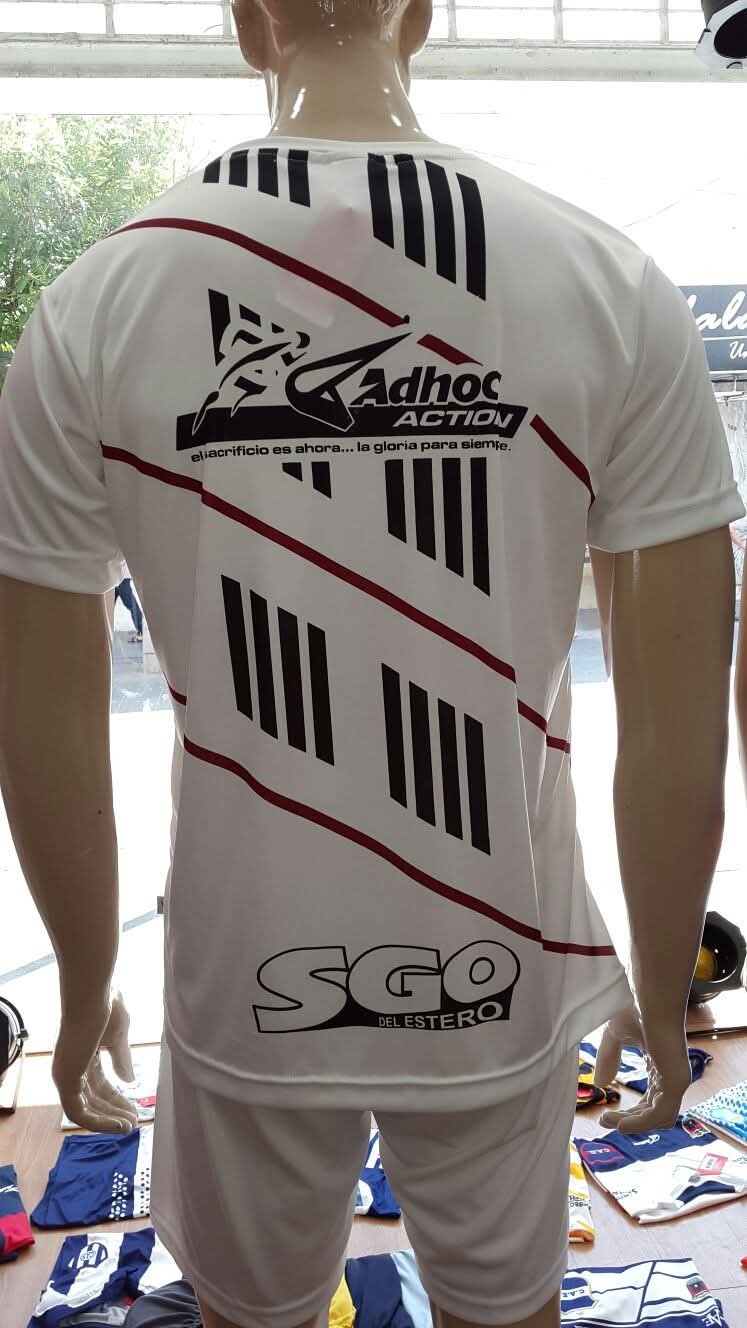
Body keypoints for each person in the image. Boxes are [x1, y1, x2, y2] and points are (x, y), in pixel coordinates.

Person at [0, 3, 741, 1327]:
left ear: (248, 22)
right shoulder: (603, 282)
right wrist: (663, 965)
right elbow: (678, 727)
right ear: (421, 15)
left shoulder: (98, 303)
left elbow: (38, 716)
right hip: (497, 957)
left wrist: (86, 978)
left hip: (243, 970)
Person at [116, 568, 145, 643]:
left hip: (121, 576)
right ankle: (141, 633)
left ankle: (141, 633)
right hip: (115, 575)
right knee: (132, 606)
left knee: (132, 606)